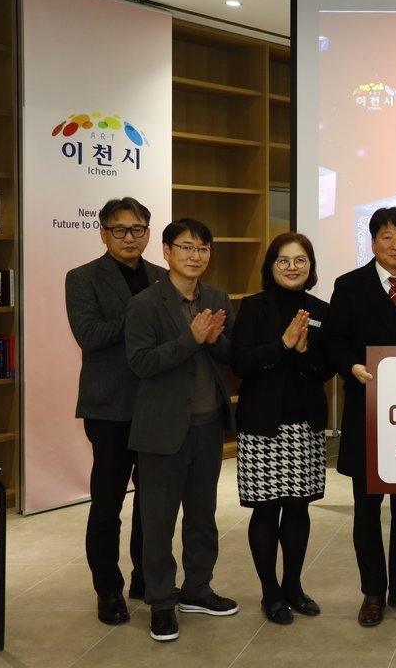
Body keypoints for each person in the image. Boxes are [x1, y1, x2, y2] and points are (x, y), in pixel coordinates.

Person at [326, 206, 396, 627]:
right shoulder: (349, 285)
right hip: (366, 410)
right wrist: (351, 366)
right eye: (387, 237)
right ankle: (372, 592)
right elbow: (333, 340)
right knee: (367, 508)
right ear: (373, 242)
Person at [125, 218, 238, 642]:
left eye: (203, 248)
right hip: (162, 430)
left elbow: (230, 354)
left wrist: (214, 340)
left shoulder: (217, 297)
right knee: (158, 521)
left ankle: (198, 589)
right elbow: (141, 363)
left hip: (208, 426)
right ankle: (160, 602)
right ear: (167, 252)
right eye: (187, 247)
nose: (196, 256)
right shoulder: (144, 303)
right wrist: (192, 338)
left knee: (203, 516)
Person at [66, 197, 167, 626]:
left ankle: (146, 578)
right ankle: (108, 589)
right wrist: (142, 317)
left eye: (138, 229)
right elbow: (89, 335)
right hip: (109, 407)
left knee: (153, 502)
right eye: (120, 230)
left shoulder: (163, 276)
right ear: (103, 233)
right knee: (108, 504)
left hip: (157, 404)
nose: (130, 238)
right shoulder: (82, 277)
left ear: (148, 233)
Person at [232, 233, 335, 626]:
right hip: (263, 427)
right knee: (265, 510)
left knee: (297, 507)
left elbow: (326, 370)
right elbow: (240, 363)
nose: (292, 267)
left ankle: (293, 586)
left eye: (300, 260)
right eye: (283, 260)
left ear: (310, 266)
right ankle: (270, 593)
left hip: (305, 425)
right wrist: (283, 345)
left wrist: (305, 351)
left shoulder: (321, 310)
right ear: (271, 266)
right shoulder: (252, 306)